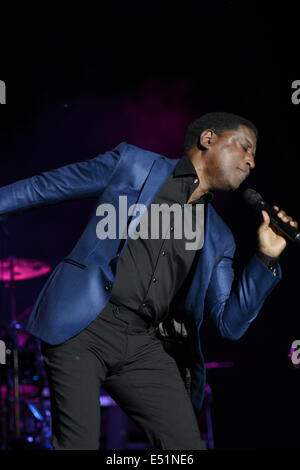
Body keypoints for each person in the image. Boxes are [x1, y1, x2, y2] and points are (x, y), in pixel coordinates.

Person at [0, 111, 297, 450]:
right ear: (208, 139)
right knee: (78, 444)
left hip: (141, 343)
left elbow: (230, 323)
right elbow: (47, 186)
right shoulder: (134, 165)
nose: (251, 162)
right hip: (82, 325)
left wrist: (266, 257)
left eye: (254, 155)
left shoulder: (219, 236)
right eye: (244, 148)